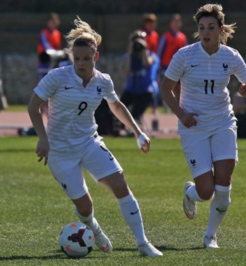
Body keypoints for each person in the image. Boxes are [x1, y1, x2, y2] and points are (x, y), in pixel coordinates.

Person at [27, 17, 163, 257]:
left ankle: (143, 243)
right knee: (85, 206)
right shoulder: (57, 77)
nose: (81, 63)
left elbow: (117, 106)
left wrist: (138, 132)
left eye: (86, 58)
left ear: (96, 57)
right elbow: (33, 106)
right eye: (76, 58)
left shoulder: (103, 81)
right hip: (60, 151)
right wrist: (43, 138)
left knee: (121, 185)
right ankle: (94, 229)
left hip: (90, 143)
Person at [160, 4, 246, 249]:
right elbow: (165, 89)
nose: (205, 32)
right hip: (193, 126)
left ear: (221, 29)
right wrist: (182, 115)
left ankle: (210, 237)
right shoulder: (184, 55)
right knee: (206, 192)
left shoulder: (231, 56)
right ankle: (191, 193)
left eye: (211, 27)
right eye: (201, 27)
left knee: (223, 183)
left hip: (223, 122)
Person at [120, 30, 160, 132]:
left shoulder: (152, 56)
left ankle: (134, 129)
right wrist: (130, 51)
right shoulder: (128, 57)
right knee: (118, 108)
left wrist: (144, 49)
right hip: (131, 90)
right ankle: (117, 129)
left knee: (135, 113)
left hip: (145, 91)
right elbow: (127, 70)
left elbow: (147, 63)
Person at [157, 13, 188, 113]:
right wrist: (159, 68)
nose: (177, 23)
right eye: (175, 21)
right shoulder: (166, 37)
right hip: (166, 67)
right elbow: (160, 53)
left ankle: (178, 109)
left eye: (178, 21)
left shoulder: (183, 37)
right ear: (170, 23)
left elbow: (186, 54)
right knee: (167, 88)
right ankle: (165, 109)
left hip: (180, 68)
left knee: (179, 90)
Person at [37, 12, 64, 118]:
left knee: (52, 92)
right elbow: (46, 47)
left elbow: (57, 48)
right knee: (42, 91)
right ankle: (40, 114)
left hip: (53, 66)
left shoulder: (57, 33)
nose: (54, 22)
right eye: (52, 20)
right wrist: (56, 53)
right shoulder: (44, 33)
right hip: (44, 65)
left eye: (56, 20)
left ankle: (50, 114)